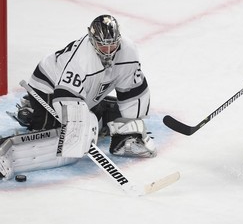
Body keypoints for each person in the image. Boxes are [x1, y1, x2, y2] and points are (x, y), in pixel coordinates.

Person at [0, 14, 156, 179]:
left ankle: (101, 113)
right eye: (103, 46)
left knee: (95, 123)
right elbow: (66, 97)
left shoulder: (128, 51)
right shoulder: (81, 60)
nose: (109, 52)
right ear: (92, 40)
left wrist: (129, 128)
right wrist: (78, 130)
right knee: (59, 137)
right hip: (49, 86)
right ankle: (33, 112)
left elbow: (132, 89)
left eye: (113, 45)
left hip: (87, 92)